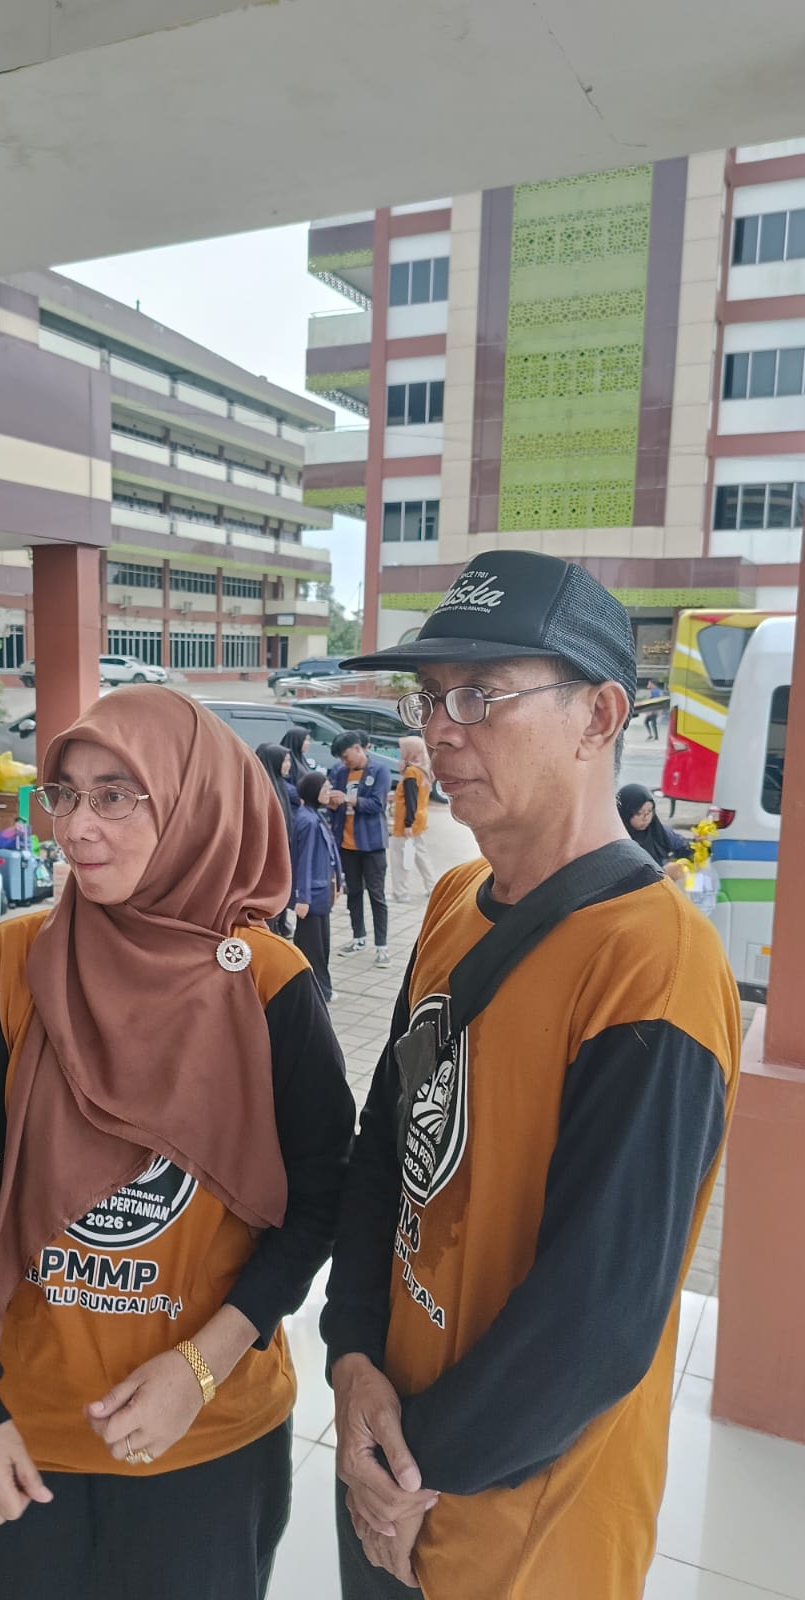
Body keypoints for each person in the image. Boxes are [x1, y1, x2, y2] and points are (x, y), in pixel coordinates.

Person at [322, 550, 740, 1600]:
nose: (439, 730)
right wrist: (352, 1354)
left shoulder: (656, 965)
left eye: (479, 694)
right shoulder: (455, 901)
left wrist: (404, 1475)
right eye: (429, 697)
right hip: (388, 1461)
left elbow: (595, 1322)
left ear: (599, 716)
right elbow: (387, 1147)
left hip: (522, 1534)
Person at [0, 686, 354, 1600]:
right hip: (21, 1430)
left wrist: (203, 1365)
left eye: (116, 795)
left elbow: (321, 1200)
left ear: (193, 803)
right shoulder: (13, 964)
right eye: (65, 794)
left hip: (208, 1434)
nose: (76, 826)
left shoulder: (266, 982)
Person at [326, 732, 391, 967]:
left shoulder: (379, 771)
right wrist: (332, 802)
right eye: (341, 759)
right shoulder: (339, 772)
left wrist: (349, 799)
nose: (345, 762)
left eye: (346, 757)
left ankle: (382, 946)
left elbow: (377, 804)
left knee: (376, 895)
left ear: (358, 748)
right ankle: (358, 938)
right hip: (346, 844)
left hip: (372, 845)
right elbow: (333, 804)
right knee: (353, 892)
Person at [290, 771, 345, 1004]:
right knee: (312, 948)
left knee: (321, 946)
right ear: (314, 791)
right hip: (312, 895)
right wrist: (302, 897)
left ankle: (320, 990)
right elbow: (303, 861)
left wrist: (339, 882)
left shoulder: (315, 815)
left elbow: (331, 853)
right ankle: (318, 991)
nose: (328, 793)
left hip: (321, 893)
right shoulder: (309, 821)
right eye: (325, 789)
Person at [388, 736, 438, 904]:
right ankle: (432, 887)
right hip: (419, 820)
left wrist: (407, 823)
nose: (401, 752)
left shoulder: (411, 773)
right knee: (421, 856)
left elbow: (410, 800)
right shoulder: (424, 770)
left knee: (400, 858)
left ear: (411, 751)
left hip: (406, 823)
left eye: (403, 749)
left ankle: (401, 893)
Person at [256, 742, 295, 935]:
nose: (288, 765)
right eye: (285, 761)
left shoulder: (280, 785)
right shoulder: (263, 789)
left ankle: (280, 926)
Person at [617, 783, 693, 870]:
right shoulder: (617, 842)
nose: (645, 818)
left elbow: (681, 845)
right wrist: (663, 872)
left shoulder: (659, 831)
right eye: (639, 813)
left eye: (649, 811)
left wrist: (696, 844)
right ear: (625, 813)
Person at [282, 727, 314, 793]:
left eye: (309, 740)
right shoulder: (287, 761)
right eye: (305, 740)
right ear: (297, 741)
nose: (308, 743)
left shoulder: (301, 758)